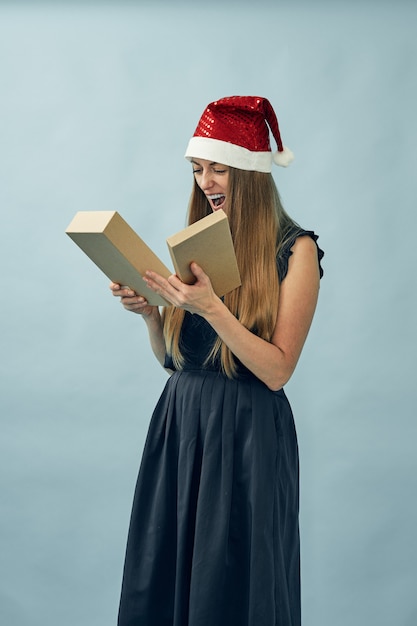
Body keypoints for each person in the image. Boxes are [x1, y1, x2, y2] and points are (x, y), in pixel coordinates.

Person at [111, 96, 324, 626]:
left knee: (233, 580)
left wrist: (209, 306)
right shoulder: (200, 242)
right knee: (168, 571)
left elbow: (277, 371)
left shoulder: (296, 251)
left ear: (249, 173)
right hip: (181, 425)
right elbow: (176, 361)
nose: (205, 181)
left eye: (218, 168)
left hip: (249, 432)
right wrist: (151, 317)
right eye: (198, 168)